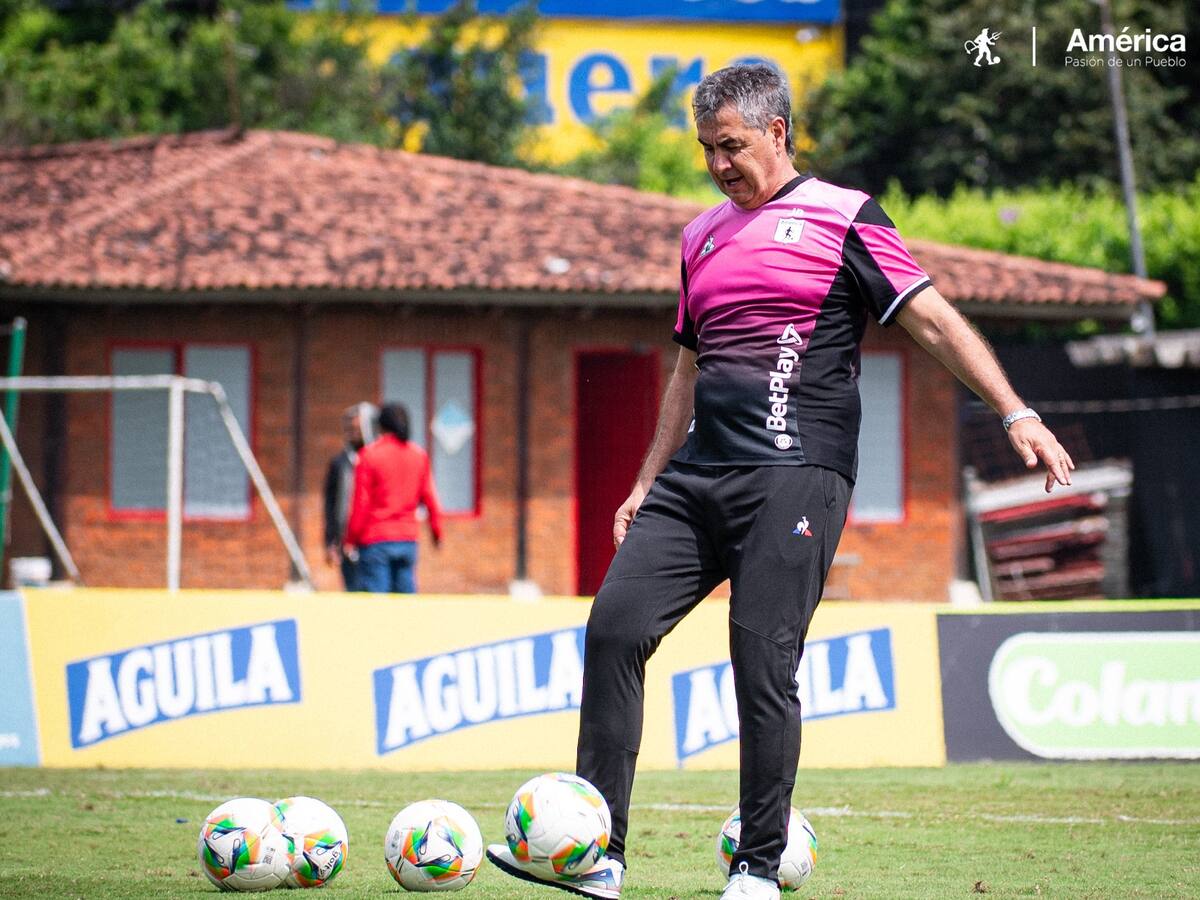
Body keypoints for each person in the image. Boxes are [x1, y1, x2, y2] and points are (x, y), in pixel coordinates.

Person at [486, 64, 1074, 900]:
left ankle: (758, 867)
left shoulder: (846, 217)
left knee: (761, 663)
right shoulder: (699, 237)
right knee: (614, 631)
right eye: (706, 149)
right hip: (695, 478)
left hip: (796, 475)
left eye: (731, 146)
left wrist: (1016, 412)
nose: (719, 164)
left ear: (778, 133)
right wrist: (646, 478)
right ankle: (598, 855)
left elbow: (934, 320)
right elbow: (686, 370)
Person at [344, 403, 443, 594]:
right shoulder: (418, 455)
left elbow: (361, 505)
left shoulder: (369, 456)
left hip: (375, 540)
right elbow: (430, 498)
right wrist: (437, 532)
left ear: (380, 426)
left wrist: (351, 539)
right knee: (406, 605)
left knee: (378, 606)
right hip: (407, 539)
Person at [323, 403, 377, 591]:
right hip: (347, 543)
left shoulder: (377, 461)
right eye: (349, 429)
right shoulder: (340, 464)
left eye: (357, 429)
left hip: (372, 542)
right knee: (353, 592)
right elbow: (330, 506)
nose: (352, 434)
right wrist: (331, 541)